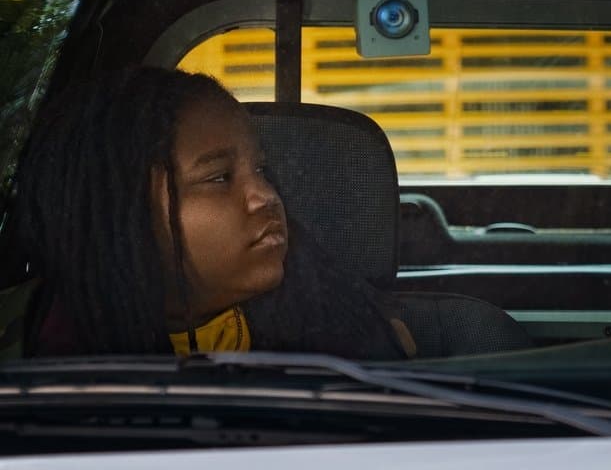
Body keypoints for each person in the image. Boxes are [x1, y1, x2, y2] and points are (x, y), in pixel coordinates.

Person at [3, 67, 417, 358]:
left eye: (261, 170)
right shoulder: (28, 355)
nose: (266, 196)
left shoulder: (344, 329)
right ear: (118, 212)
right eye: (219, 178)